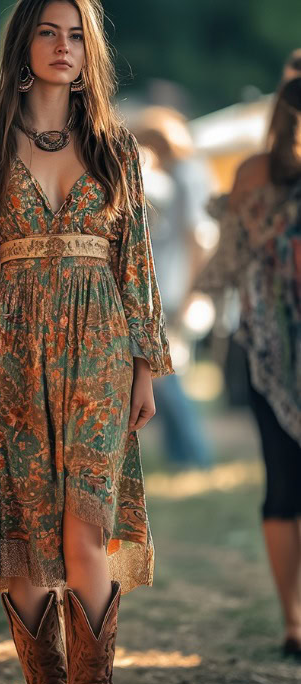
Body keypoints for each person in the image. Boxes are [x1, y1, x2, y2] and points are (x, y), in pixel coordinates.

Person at [0, 1, 173, 684]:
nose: (64, 47)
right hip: (11, 343)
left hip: (100, 342)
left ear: (89, 51)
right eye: (49, 31)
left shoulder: (115, 146)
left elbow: (137, 259)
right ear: (24, 41)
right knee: (24, 528)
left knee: (83, 531)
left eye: (77, 36)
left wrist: (145, 365)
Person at [196, 52, 301, 659]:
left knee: (281, 486)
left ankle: (293, 621)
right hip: (274, 347)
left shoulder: (252, 174)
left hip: (265, 349)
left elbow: (225, 267)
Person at [133, 108, 215, 469]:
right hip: (170, 282)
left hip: (173, 283)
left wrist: (195, 290)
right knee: (164, 369)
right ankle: (183, 452)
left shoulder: (186, 176)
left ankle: (193, 454)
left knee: (165, 371)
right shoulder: (183, 174)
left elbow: (198, 238)